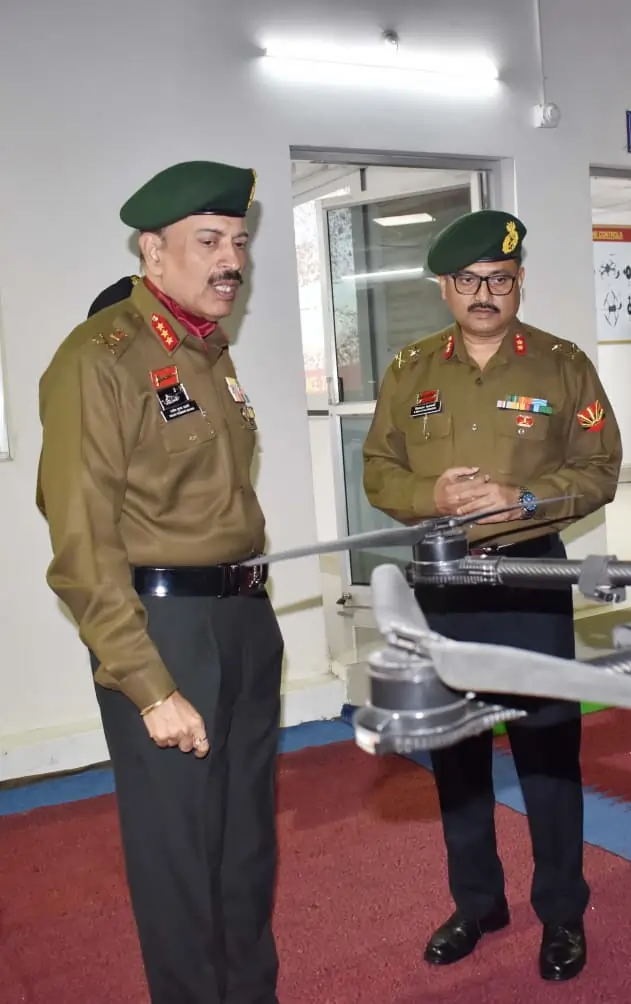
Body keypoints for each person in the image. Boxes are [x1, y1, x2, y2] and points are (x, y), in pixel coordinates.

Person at [36, 161, 284, 1004]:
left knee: (246, 845)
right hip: (164, 630)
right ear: (153, 250)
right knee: (178, 856)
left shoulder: (209, 353)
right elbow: (81, 546)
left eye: (238, 242)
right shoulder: (98, 359)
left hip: (245, 620)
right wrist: (147, 685)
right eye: (208, 241)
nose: (231, 261)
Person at [362, 209, 623, 982]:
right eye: (469, 280)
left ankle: (563, 911)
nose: (484, 293)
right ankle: (477, 903)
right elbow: (378, 470)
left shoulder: (561, 365)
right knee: (456, 752)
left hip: (528, 578)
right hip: (443, 583)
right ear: (445, 288)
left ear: (519, 283)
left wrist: (527, 499)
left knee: (548, 751)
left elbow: (600, 468)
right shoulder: (410, 369)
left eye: (499, 280)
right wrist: (430, 495)